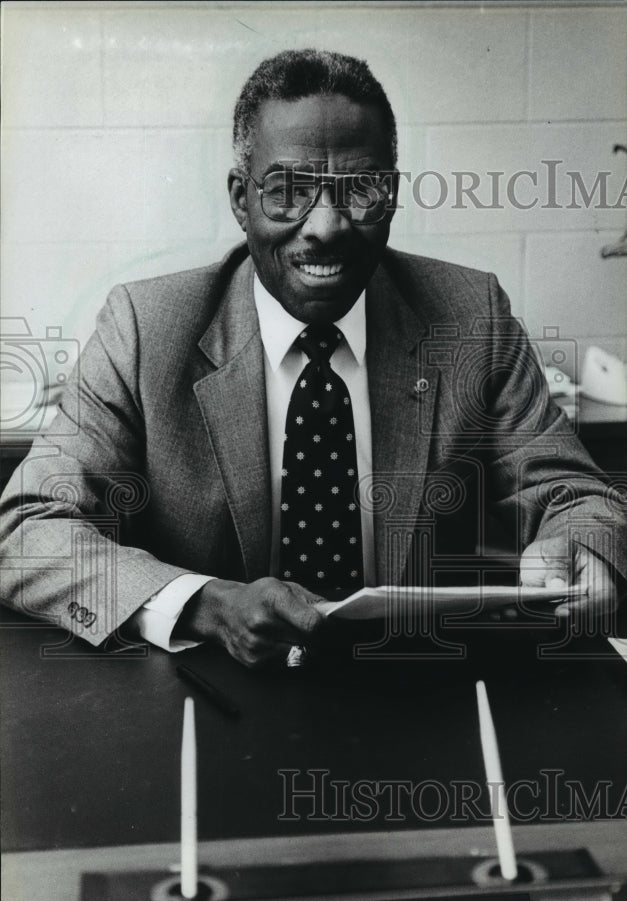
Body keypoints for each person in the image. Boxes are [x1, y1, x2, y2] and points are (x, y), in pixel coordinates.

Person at [0, 49, 624, 667]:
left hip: (417, 687)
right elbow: (25, 531)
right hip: (212, 700)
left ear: (393, 197)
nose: (325, 224)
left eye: (361, 189)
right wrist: (207, 604)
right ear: (242, 199)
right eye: (289, 190)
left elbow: (572, 491)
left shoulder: (469, 316)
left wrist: (580, 547)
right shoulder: (145, 330)